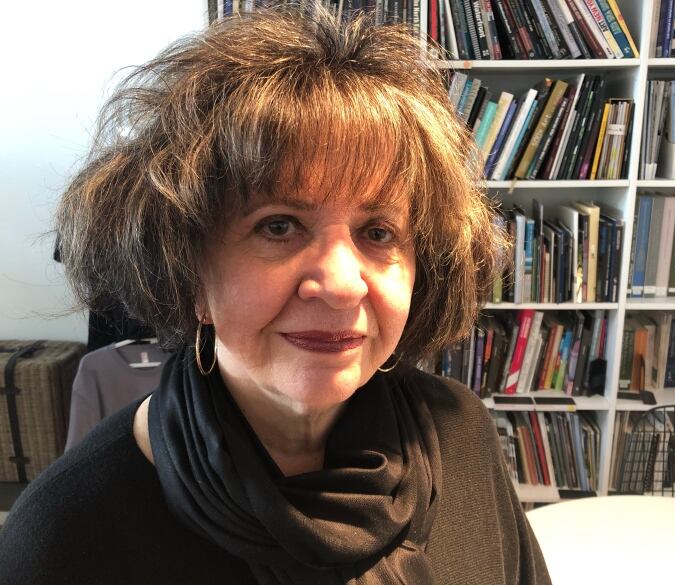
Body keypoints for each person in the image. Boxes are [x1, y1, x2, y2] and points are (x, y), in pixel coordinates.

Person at [0, 5, 551, 584]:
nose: (341, 286)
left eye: (378, 232)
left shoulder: (461, 432)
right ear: (186, 268)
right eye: (278, 225)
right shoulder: (67, 535)